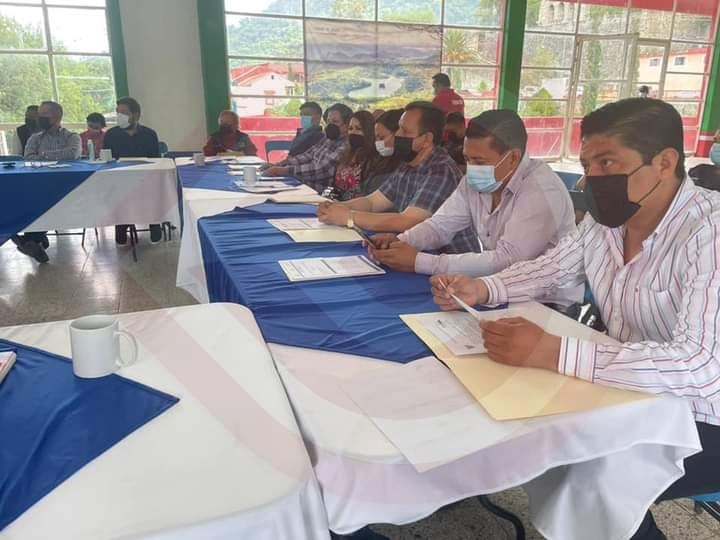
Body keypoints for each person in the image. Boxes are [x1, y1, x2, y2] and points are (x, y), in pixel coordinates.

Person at [430, 98, 720, 540]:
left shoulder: (709, 233)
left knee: (596, 472)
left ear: (664, 163)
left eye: (607, 162)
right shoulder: (610, 221)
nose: (590, 179)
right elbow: (553, 267)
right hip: (628, 389)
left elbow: (699, 365)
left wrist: (556, 352)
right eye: (587, 164)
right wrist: (482, 289)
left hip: (702, 413)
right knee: (532, 428)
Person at [370, 110, 580, 306]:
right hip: (493, 288)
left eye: (479, 161)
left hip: (547, 302)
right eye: (467, 159)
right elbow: (440, 225)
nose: (471, 169)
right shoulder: (477, 181)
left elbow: (508, 259)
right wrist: (402, 242)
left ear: (513, 158)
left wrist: (419, 262)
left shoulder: (542, 190)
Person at [317, 101, 478, 254]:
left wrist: (349, 217)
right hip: (418, 253)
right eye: (399, 129)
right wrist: (336, 207)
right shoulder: (408, 164)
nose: (398, 135)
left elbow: (408, 221)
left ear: (426, 139)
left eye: (405, 131)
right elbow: (373, 202)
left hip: (451, 263)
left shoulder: (440, 171)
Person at [15, 101, 82, 263]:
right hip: (39, 184)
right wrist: (57, 155)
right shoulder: (35, 138)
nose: (39, 118)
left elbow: (72, 154)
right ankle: (35, 241)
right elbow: (28, 157)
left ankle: (32, 240)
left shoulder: (72, 137)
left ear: (56, 117)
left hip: (66, 186)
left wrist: (43, 154)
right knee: (34, 199)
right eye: (39, 115)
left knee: (49, 200)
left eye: (43, 115)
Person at [103, 97, 162, 245]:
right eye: (117, 112)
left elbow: (156, 161)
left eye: (124, 113)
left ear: (136, 115)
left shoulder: (149, 134)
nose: (119, 116)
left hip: (145, 179)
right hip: (120, 181)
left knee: (154, 191)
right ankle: (122, 227)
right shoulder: (111, 135)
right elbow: (107, 160)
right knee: (117, 194)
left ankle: (155, 226)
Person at [264, 103, 352, 193]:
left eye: (335, 122)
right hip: (305, 184)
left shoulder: (345, 146)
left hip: (322, 192)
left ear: (346, 125)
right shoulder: (327, 139)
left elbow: (321, 170)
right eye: (328, 121)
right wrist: (279, 165)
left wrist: (284, 170)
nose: (330, 125)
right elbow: (307, 155)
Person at [329, 110, 377, 201]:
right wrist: (327, 200)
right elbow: (333, 186)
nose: (353, 132)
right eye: (350, 128)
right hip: (336, 204)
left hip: (357, 207)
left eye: (358, 129)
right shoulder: (345, 155)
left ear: (369, 131)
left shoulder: (373, 159)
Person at [363, 108, 403, 194]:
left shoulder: (404, 168)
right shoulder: (378, 160)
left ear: (399, 134)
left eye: (381, 138)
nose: (377, 143)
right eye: (376, 138)